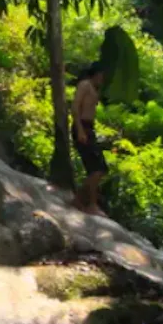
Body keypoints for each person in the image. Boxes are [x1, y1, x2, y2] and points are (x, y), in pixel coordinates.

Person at [71, 62, 108, 217]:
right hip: (82, 127)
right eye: (102, 76)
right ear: (96, 74)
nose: (103, 79)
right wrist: (80, 129)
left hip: (89, 128)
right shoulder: (85, 85)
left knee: (100, 168)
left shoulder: (94, 89)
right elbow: (75, 107)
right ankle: (91, 204)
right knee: (97, 168)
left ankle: (80, 198)